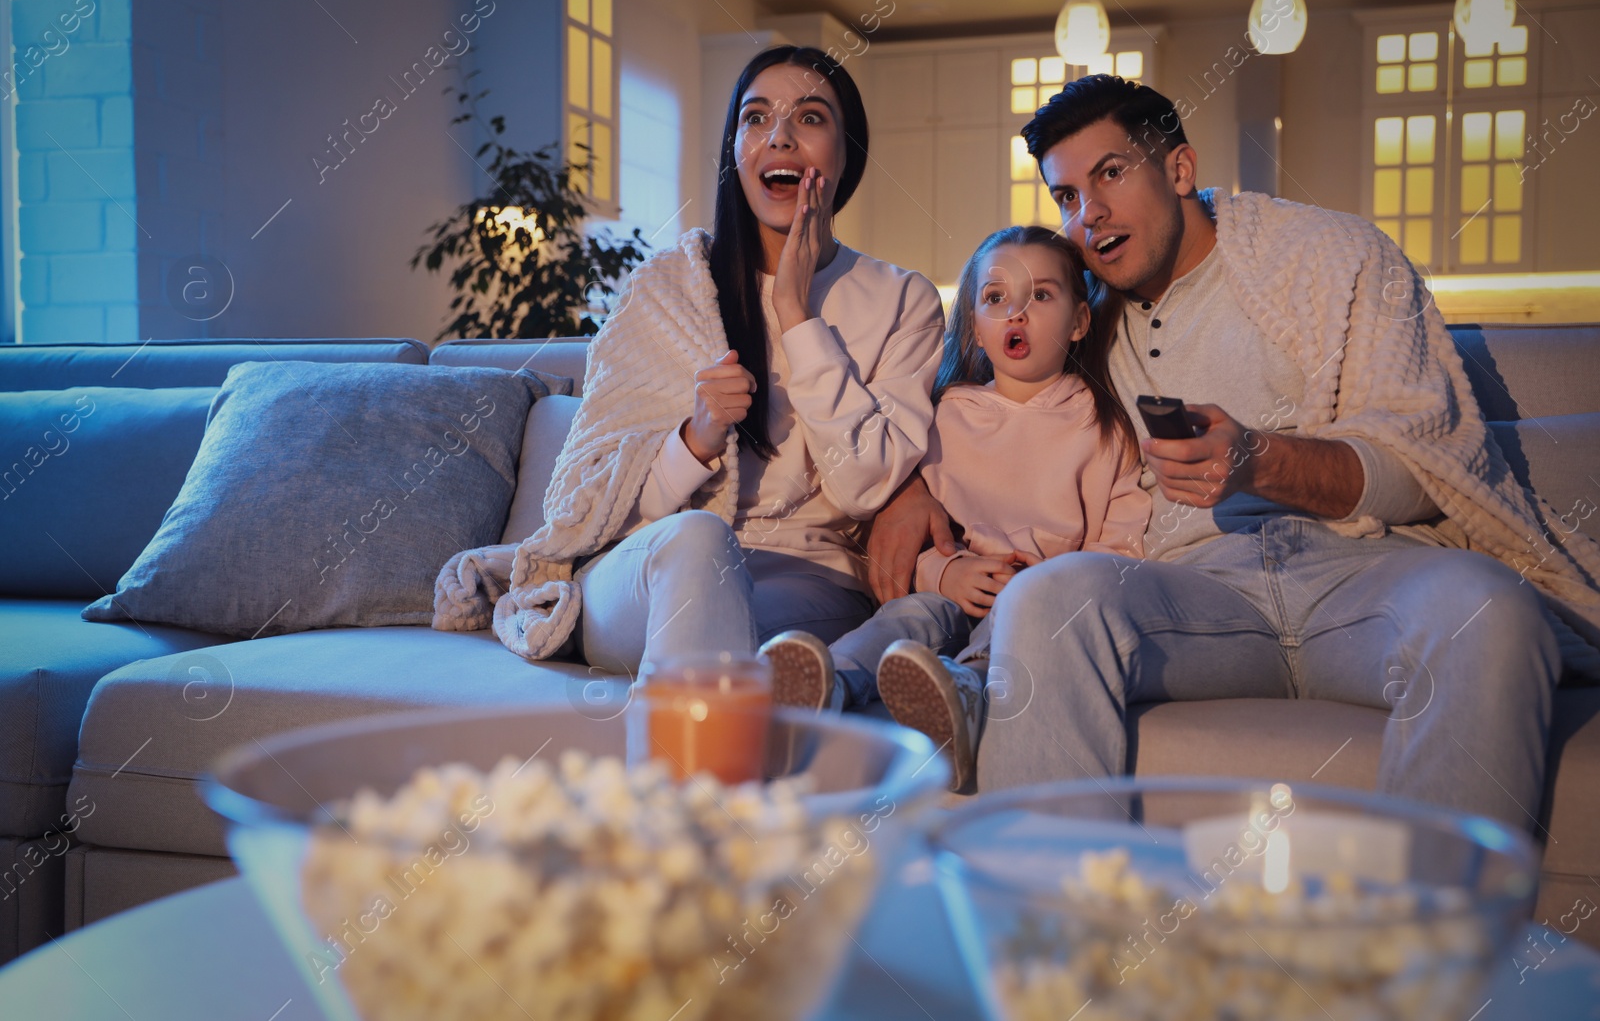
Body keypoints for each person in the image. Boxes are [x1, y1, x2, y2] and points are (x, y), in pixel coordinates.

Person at [866, 75, 1600, 830]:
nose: (1090, 215)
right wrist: (912, 491)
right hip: (1195, 596)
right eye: (1067, 196)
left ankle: (1427, 939)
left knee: (1491, 608)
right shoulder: (1081, 317)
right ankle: (1052, 931)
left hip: (1362, 575)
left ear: (1180, 169)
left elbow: (1425, 469)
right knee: (1048, 598)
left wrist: (1261, 459)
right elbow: (982, 405)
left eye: (1111, 174)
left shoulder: (1335, 259)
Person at [433, 46, 951, 675]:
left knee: (722, 601)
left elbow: (866, 483)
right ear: (735, 151)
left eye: (809, 118)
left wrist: (796, 313)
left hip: (805, 581)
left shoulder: (904, 299)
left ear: (849, 152)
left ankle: (682, 765)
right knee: (699, 539)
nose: (779, 137)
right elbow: (580, 497)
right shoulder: (665, 289)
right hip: (645, 566)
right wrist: (695, 438)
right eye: (756, 119)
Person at [762, 225, 1150, 790]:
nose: (1016, 312)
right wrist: (945, 570)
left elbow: (1120, 551)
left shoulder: (1104, 427)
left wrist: (1046, 587)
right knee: (908, 617)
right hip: (949, 587)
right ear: (974, 324)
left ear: (1080, 319)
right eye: (996, 298)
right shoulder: (942, 417)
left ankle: (962, 694)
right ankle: (827, 682)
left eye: (1041, 295)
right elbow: (903, 535)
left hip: (1035, 606)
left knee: (1003, 627)